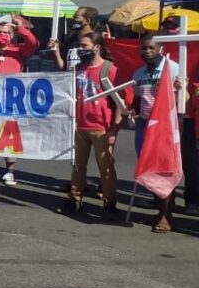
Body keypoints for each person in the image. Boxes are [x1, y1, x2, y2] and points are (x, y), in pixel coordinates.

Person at [61, 33, 120, 218]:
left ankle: (110, 202)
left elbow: (120, 101)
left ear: (97, 47)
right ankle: (75, 198)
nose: (81, 49)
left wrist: (114, 129)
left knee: (106, 167)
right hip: (80, 125)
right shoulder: (79, 68)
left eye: (84, 46)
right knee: (78, 165)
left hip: (101, 127)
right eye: (80, 46)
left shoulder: (110, 70)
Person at [130, 33, 181, 228]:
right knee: (149, 168)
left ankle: (166, 216)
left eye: (151, 48)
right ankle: (160, 211)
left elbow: (182, 98)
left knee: (165, 169)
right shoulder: (138, 73)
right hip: (144, 126)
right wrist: (132, 110)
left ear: (161, 49)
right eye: (144, 48)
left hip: (165, 126)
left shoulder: (173, 68)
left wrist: (180, 88)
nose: (147, 51)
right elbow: (137, 100)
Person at [0, 16, 38, 186]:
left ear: (12, 35)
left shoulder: (18, 50)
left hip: (11, 99)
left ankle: (10, 171)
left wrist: (21, 28)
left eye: (6, 32)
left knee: (9, 136)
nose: (2, 35)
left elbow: (33, 43)